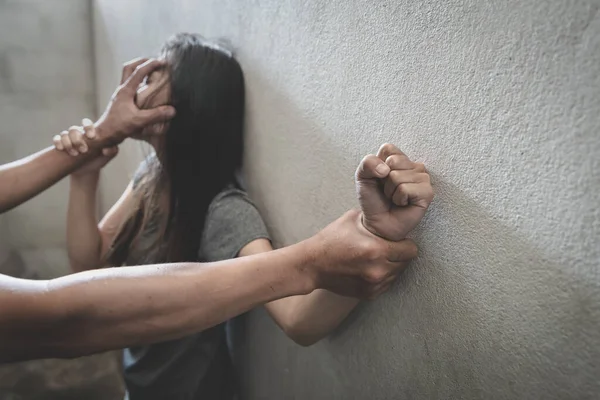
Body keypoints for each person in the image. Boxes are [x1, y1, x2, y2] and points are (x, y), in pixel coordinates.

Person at [51, 33, 433, 400]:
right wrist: (83, 176)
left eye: (155, 76)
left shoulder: (224, 210)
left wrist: (374, 233)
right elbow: (89, 261)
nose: (137, 86)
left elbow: (298, 319)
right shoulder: (152, 176)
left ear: (188, 103)